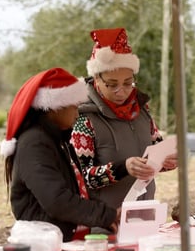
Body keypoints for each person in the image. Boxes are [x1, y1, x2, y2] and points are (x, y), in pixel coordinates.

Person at [1, 67, 120, 242]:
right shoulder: (35, 143)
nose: (77, 113)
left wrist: (104, 215)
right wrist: (106, 215)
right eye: (73, 107)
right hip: (43, 243)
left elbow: (77, 189)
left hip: (61, 239)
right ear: (56, 108)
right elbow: (57, 201)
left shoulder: (58, 139)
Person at [71, 28, 177, 209]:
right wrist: (122, 168)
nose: (121, 91)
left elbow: (157, 148)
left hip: (144, 212)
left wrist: (168, 162)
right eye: (112, 85)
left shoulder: (142, 112)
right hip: (104, 222)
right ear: (96, 78)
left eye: (128, 83)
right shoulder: (83, 120)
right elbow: (82, 177)